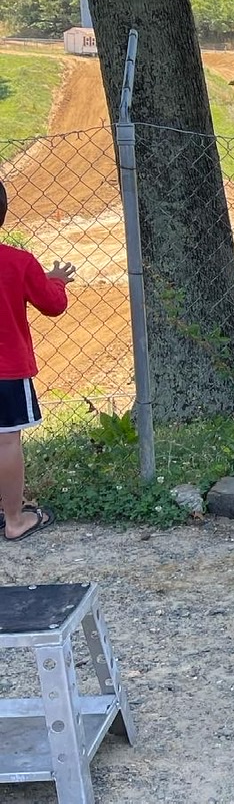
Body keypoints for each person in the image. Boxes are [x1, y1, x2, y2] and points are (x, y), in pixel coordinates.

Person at [0, 178, 74, 541]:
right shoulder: (19, 262)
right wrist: (55, 281)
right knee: (6, 442)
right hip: (7, 371)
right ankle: (14, 519)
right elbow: (53, 304)